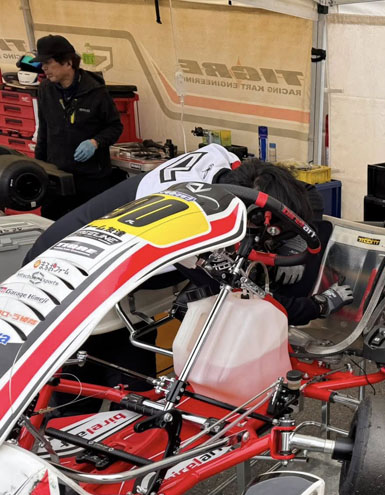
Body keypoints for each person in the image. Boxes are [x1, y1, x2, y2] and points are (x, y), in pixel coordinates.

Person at [25, 147, 351, 387]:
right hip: (67, 279)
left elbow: (301, 192)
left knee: (134, 366)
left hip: (87, 252)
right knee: (110, 387)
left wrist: (293, 236)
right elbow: (260, 301)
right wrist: (321, 304)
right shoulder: (193, 229)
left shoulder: (227, 166)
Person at [32, 34, 123, 220]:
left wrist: (95, 142)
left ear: (68, 62)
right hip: (56, 176)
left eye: (48, 63)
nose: (44, 68)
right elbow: (44, 130)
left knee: (90, 225)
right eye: (42, 63)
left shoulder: (96, 91)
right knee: (51, 225)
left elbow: (115, 126)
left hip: (91, 178)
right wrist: (39, 167)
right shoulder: (45, 89)